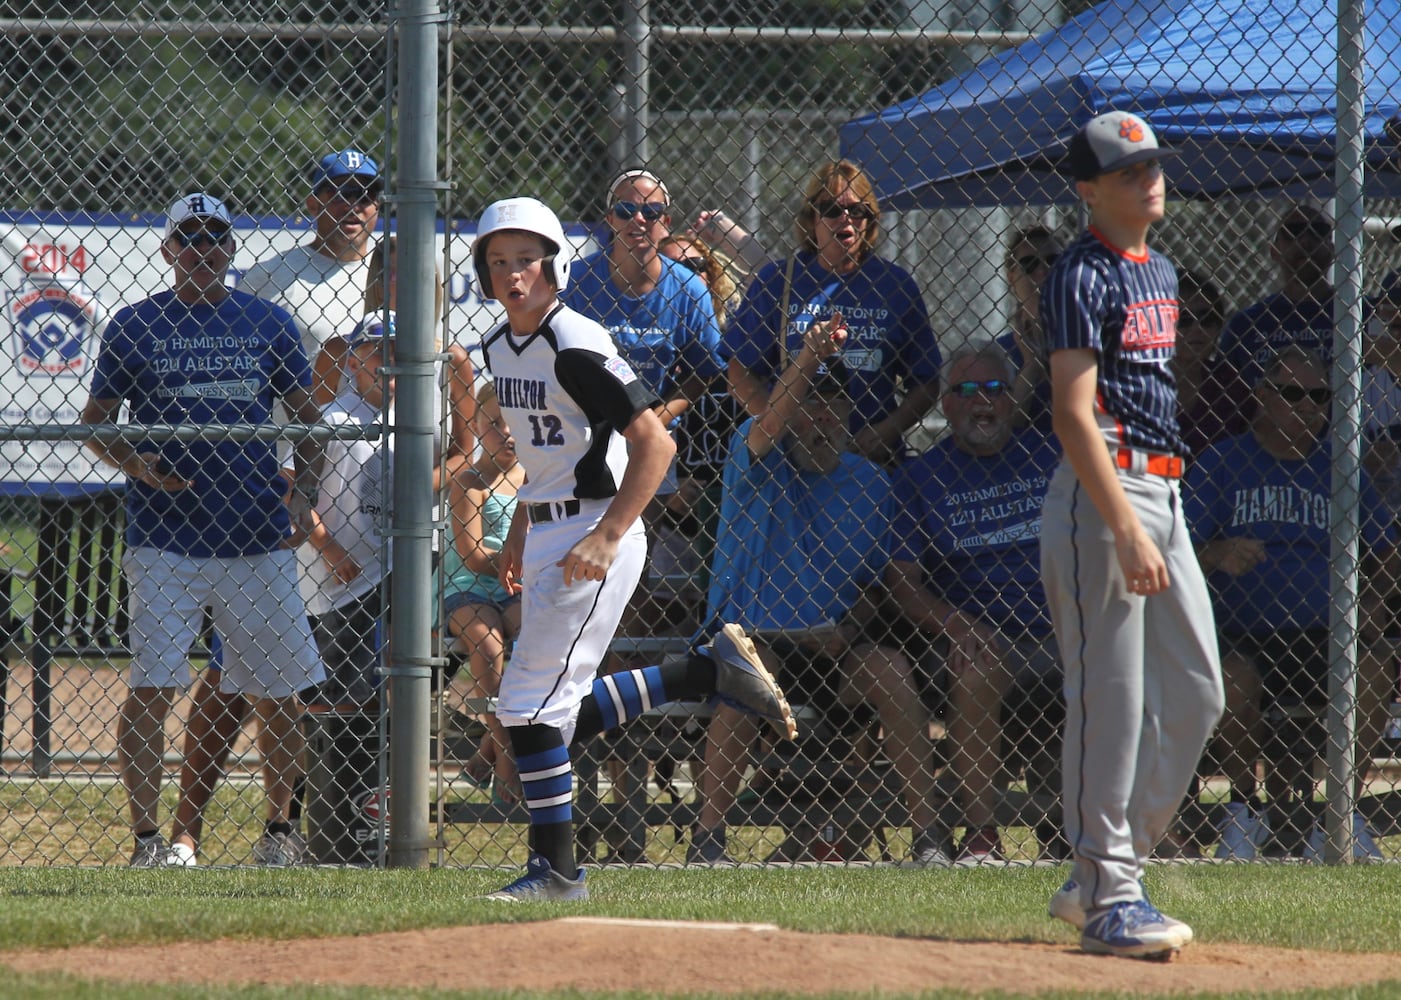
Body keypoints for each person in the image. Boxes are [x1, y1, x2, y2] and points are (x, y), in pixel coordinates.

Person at [471, 196, 796, 901]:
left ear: (553, 265)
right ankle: (698, 675)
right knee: (543, 712)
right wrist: (523, 531)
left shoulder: (574, 342)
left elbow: (656, 441)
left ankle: (556, 873)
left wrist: (607, 535)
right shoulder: (501, 345)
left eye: (526, 259)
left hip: (599, 529)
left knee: (527, 706)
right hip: (553, 525)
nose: (512, 274)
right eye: (498, 261)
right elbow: (542, 453)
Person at [80, 192, 326, 867]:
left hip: (254, 537)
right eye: (187, 238)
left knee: (278, 691)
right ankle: (149, 842)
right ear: (166, 251)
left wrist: (303, 493)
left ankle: (279, 833)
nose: (202, 250)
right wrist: (134, 461)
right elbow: (94, 423)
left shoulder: (267, 323)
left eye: (215, 237)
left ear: (231, 249)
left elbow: (309, 422)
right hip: (165, 540)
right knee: (155, 686)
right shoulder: (133, 326)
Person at [1037, 111, 1224, 960]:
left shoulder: (1161, 269)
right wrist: (1123, 527)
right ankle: (1111, 891)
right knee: (1109, 700)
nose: (1147, 179)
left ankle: (1102, 875)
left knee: (1195, 694)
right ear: (1087, 190)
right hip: (1101, 490)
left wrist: (1153, 521)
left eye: (1150, 165)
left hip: (1167, 491)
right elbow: (1072, 414)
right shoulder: (1079, 274)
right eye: (1124, 172)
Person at [689, 321, 946, 867]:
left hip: (833, 648)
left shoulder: (870, 483)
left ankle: (928, 840)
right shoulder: (754, 459)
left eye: (834, 406)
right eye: (809, 404)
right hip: (757, 639)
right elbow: (770, 423)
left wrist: (850, 628)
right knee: (744, 672)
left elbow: (877, 586)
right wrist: (806, 358)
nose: (821, 418)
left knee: (892, 672)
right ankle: (707, 842)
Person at [1186, 346, 1391, 861]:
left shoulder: (1340, 468)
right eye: (1292, 393)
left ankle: (1340, 815)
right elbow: (1171, 543)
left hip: (1326, 634)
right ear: (1261, 396)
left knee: (1377, 664)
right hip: (1242, 632)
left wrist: (1372, 598)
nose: (1307, 406)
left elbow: (1390, 549)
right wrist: (1217, 552)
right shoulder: (1222, 462)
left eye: (1319, 396)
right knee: (1234, 678)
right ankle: (1244, 810)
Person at [883, 342, 1062, 864]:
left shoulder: (1051, 456)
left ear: (1011, 399)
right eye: (966, 390)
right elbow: (902, 581)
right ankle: (982, 835)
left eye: (994, 389)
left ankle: (1103, 832)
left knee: (1116, 658)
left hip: (1059, 630)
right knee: (977, 666)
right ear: (944, 403)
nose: (981, 401)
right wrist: (955, 623)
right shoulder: (920, 478)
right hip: (973, 636)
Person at [722, 159, 941, 466]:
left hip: (869, 461)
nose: (846, 219)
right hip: (792, 460)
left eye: (857, 210)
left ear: (871, 218)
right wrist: (776, 426)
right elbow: (739, 372)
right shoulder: (778, 282)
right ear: (812, 218)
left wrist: (883, 433)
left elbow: (926, 381)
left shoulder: (895, 286)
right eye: (832, 210)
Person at [560, 169, 724, 430]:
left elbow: (704, 371)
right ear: (610, 218)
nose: (638, 219)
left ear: (666, 222)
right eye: (626, 209)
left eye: (651, 211)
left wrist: (653, 427)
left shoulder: (689, 289)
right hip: (582, 429)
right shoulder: (575, 281)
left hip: (652, 430)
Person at [441, 382, 524, 793]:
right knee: (488, 643)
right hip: (469, 590)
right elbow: (472, 555)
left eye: (515, 424)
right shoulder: (470, 482)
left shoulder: (534, 480)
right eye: (494, 424)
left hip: (517, 589)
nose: (506, 433)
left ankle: (489, 746)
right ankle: (505, 758)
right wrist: (521, 565)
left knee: (540, 633)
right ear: (476, 426)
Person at [1171, 269, 1249, 456]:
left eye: (1207, 319)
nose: (1197, 328)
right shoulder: (1141, 381)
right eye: (1184, 319)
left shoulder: (1230, 384)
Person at [994, 224, 1062, 428]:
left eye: (1053, 261)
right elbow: (1000, 429)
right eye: (1029, 264)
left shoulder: (1088, 344)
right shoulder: (996, 355)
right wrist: (1031, 365)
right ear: (1012, 278)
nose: (1042, 272)